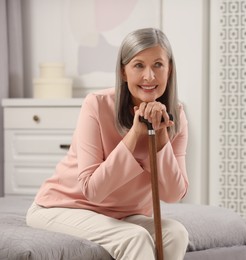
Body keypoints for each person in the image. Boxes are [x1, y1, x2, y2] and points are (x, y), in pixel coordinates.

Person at [26, 27, 189, 260]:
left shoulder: (177, 116)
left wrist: (161, 136)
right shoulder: (96, 105)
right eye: (139, 65)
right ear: (123, 71)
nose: (149, 77)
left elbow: (173, 194)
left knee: (176, 233)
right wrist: (135, 134)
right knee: (135, 238)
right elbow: (93, 191)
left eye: (158, 65)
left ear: (169, 69)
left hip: (121, 214)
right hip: (64, 207)